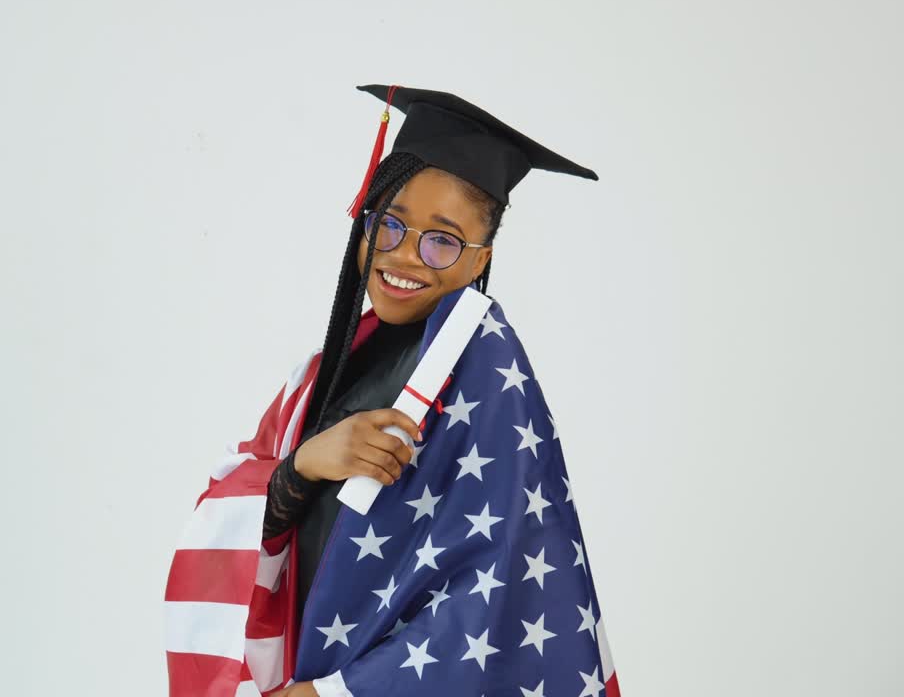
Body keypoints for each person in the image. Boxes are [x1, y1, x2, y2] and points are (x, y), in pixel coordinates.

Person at [165, 84, 620, 697]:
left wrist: (336, 693)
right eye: (390, 224)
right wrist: (306, 463)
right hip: (307, 655)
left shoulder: (484, 370)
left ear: (478, 259)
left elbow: (497, 580)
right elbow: (237, 500)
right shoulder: (326, 369)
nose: (404, 255)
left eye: (442, 240)